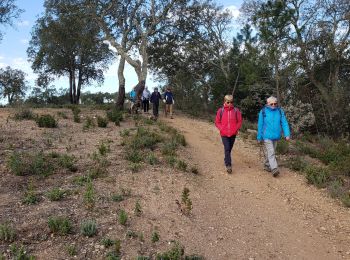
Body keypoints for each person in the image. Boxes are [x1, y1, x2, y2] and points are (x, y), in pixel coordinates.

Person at [257, 96, 291, 177]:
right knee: (271, 152)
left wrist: (287, 134)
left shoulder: (280, 111)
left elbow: (284, 123)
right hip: (266, 136)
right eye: (271, 104)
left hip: (276, 136)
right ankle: (274, 169)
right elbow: (260, 125)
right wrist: (259, 137)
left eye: (275, 104)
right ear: (267, 103)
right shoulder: (263, 111)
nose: (273, 105)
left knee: (271, 152)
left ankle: (266, 165)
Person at [215, 95, 243, 174]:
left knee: (229, 148)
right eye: (228, 102)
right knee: (227, 148)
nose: (230, 104)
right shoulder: (221, 111)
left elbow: (239, 121)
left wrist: (235, 129)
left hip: (233, 133)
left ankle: (226, 159)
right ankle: (228, 165)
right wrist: (222, 129)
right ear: (224, 102)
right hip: (224, 133)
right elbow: (217, 122)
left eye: (231, 102)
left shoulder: (236, 110)